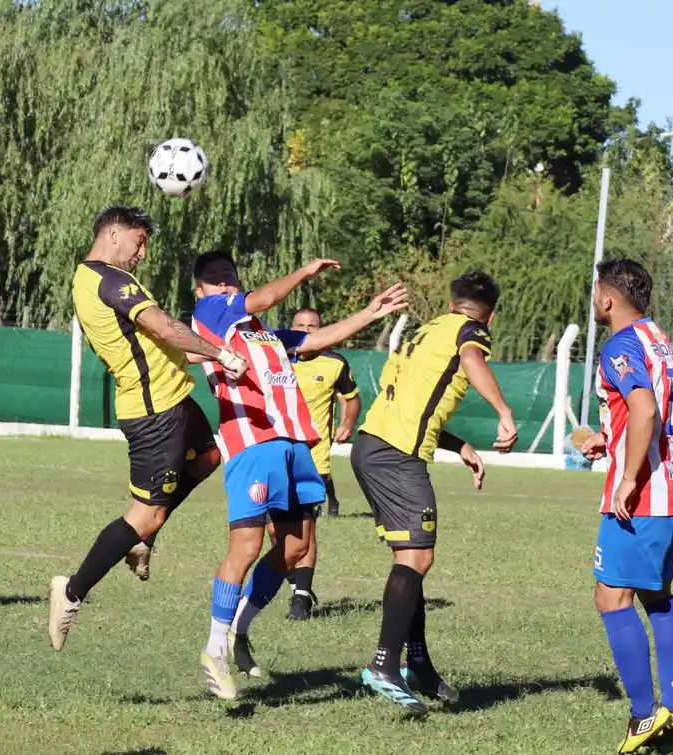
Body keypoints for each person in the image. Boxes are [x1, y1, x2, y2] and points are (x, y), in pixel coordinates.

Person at [190, 250, 407, 699]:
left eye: (229, 276)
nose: (224, 284)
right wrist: (305, 271)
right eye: (214, 279)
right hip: (254, 445)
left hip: (294, 445)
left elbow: (314, 340)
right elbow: (263, 298)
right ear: (201, 292)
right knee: (246, 545)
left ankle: (239, 631)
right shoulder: (211, 315)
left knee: (294, 548)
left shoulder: (264, 336)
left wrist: (371, 312)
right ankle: (214, 647)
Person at [47, 206, 248, 652]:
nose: (141, 253)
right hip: (155, 411)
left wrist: (199, 354)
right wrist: (220, 354)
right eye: (138, 242)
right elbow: (163, 326)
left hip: (172, 397)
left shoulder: (93, 278)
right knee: (146, 513)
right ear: (114, 233)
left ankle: (144, 539)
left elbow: (152, 341)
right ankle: (72, 591)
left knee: (209, 457)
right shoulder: (110, 279)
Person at [352, 270, 516, 716]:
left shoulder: (428, 331)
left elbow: (415, 402)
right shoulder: (470, 333)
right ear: (491, 317)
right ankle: (384, 665)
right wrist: (503, 411)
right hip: (395, 455)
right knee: (417, 559)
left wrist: (459, 443)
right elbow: (471, 359)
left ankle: (418, 664)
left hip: (372, 445)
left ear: (451, 302)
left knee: (409, 558)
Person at [576, 260, 673, 753]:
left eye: (594, 292)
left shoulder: (619, 345)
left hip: (644, 493)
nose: (593, 301)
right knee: (656, 594)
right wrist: (605, 439)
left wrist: (627, 477)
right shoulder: (659, 339)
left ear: (608, 298)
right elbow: (646, 414)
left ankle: (645, 716)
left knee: (611, 598)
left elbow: (645, 408)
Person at [284, 306, 363, 619]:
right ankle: (297, 584)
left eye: (312, 326)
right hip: (273, 456)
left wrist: (348, 421)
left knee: (305, 530)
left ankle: (300, 601)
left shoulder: (334, 363)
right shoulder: (275, 357)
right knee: (277, 535)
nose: (306, 330)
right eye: (300, 325)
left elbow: (353, 398)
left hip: (312, 459)